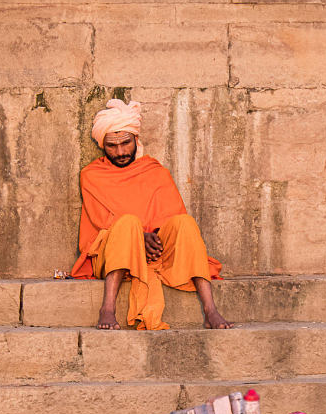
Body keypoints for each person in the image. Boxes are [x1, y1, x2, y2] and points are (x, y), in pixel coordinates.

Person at [71, 98, 232, 331]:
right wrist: (137, 238)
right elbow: (102, 222)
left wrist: (150, 237)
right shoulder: (92, 175)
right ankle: (107, 309)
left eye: (126, 143)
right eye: (112, 146)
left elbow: (170, 216)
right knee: (127, 223)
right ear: (102, 146)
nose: (120, 152)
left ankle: (210, 310)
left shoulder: (155, 172)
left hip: (156, 249)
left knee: (185, 223)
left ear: (136, 139)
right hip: (113, 251)